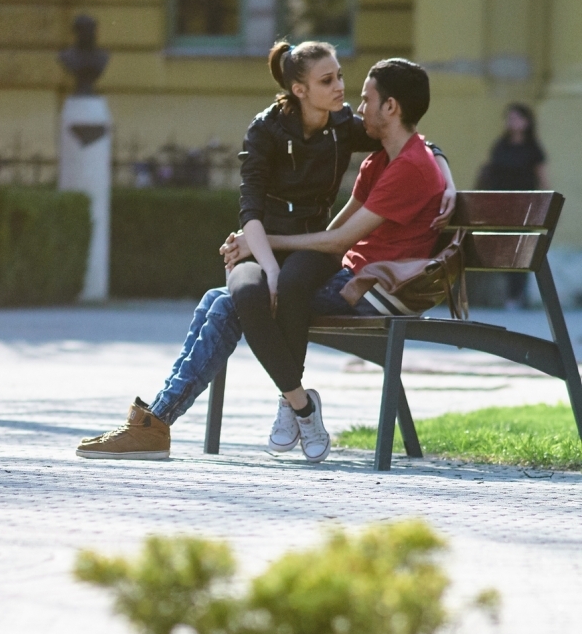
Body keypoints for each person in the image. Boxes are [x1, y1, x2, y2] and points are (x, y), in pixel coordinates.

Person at [76, 46, 456, 461]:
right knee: (219, 299)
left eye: (363, 96)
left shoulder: (401, 161)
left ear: (391, 105)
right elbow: (324, 226)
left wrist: (269, 244)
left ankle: (162, 422)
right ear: (299, 89)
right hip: (353, 277)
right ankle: (171, 418)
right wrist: (268, 249)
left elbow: (340, 236)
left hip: (373, 290)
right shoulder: (368, 156)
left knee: (229, 307)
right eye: (331, 82)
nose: (353, 102)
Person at [477, 103, 548, 310]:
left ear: (526, 122)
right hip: (501, 206)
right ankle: (505, 294)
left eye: (516, 118)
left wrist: (546, 207)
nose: (512, 122)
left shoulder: (533, 149)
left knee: (522, 249)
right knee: (504, 248)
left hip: (525, 208)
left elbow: (543, 179)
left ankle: (517, 296)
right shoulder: (501, 145)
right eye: (509, 118)